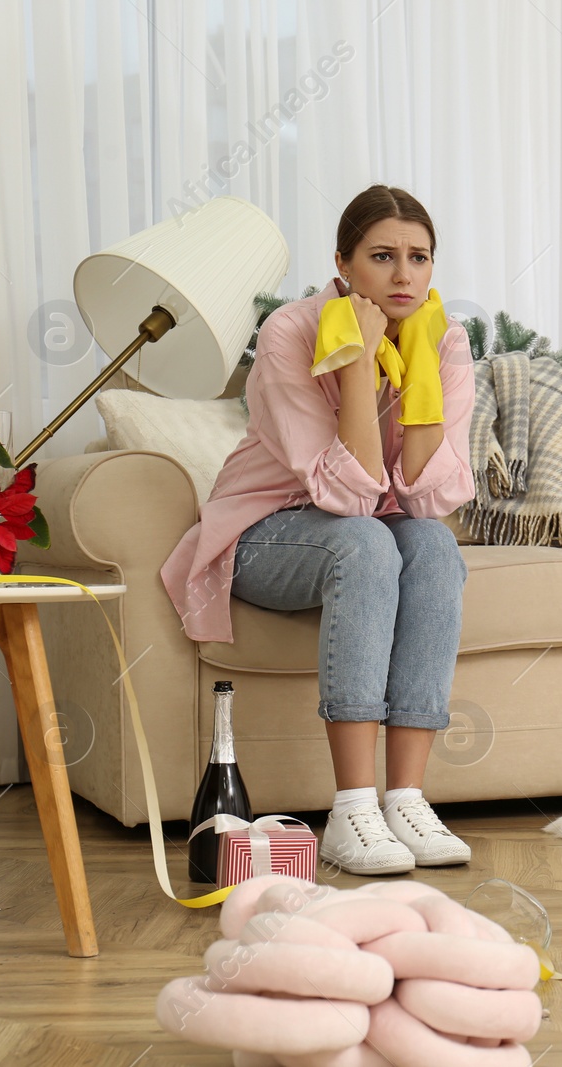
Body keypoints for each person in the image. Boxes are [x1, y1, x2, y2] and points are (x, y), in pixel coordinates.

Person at [160, 184, 477, 875]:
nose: (404, 275)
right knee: (366, 541)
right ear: (343, 263)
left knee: (432, 544)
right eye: (383, 256)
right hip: (266, 534)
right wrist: (358, 360)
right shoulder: (291, 334)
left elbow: (429, 496)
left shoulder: (443, 341)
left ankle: (406, 800)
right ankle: (352, 808)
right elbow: (347, 491)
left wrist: (417, 358)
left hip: (370, 533)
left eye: (419, 258)